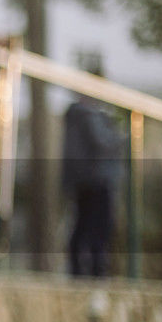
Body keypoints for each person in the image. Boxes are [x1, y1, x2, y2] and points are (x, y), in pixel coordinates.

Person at [62, 84, 123, 278]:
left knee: (83, 225)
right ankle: (95, 272)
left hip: (82, 181)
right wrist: (122, 137)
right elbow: (103, 142)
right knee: (98, 228)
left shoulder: (74, 117)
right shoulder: (89, 116)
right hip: (97, 180)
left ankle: (78, 271)